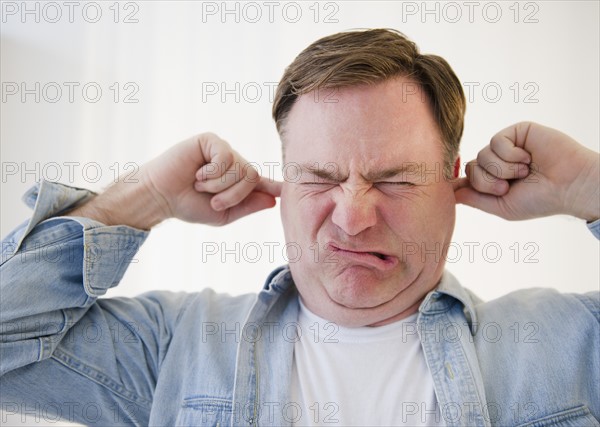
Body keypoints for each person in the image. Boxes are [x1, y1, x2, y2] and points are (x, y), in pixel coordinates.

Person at [1, 29, 598, 426]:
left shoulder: (564, 345)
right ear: (282, 184)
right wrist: (142, 198)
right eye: (319, 176)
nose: (353, 217)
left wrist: (587, 189)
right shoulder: (174, 346)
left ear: (453, 183)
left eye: (395, 179)